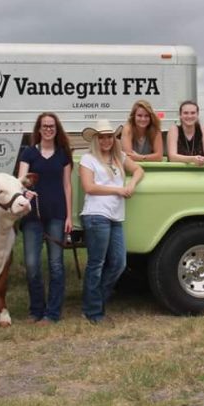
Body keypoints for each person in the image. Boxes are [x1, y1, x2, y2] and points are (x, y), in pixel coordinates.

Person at [79, 119, 144, 324]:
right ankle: (94, 311)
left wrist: (131, 184)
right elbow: (89, 187)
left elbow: (139, 170)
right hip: (96, 215)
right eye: (102, 137)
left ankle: (95, 302)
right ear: (96, 140)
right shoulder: (88, 159)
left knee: (118, 263)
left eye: (109, 136)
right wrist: (118, 189)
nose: (106, 140)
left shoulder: (119, 157)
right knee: (96, 264)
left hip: (115, 216)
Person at [16, 112, 73, 325]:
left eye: (52, 126)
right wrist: (24, 192)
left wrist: (69, 216)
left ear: (56, 130)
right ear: (38, 130)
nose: (48, 129)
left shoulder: (62, 155)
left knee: (56, 264)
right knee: (32, 264)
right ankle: (36, 309)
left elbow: (67, 186)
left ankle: (53, 313)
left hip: (57, 215)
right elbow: (20, 182)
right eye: (44, 126)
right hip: (33, 216)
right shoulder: (29, 154)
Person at [166, 100, 204, 166]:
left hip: (199, 172)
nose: (189, 116)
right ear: (180, 115)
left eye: (193, 113)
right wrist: (193, 159)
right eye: (186, 113)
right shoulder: (174, 130)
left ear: (197, 114)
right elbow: (172, 157)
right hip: (177, 172)